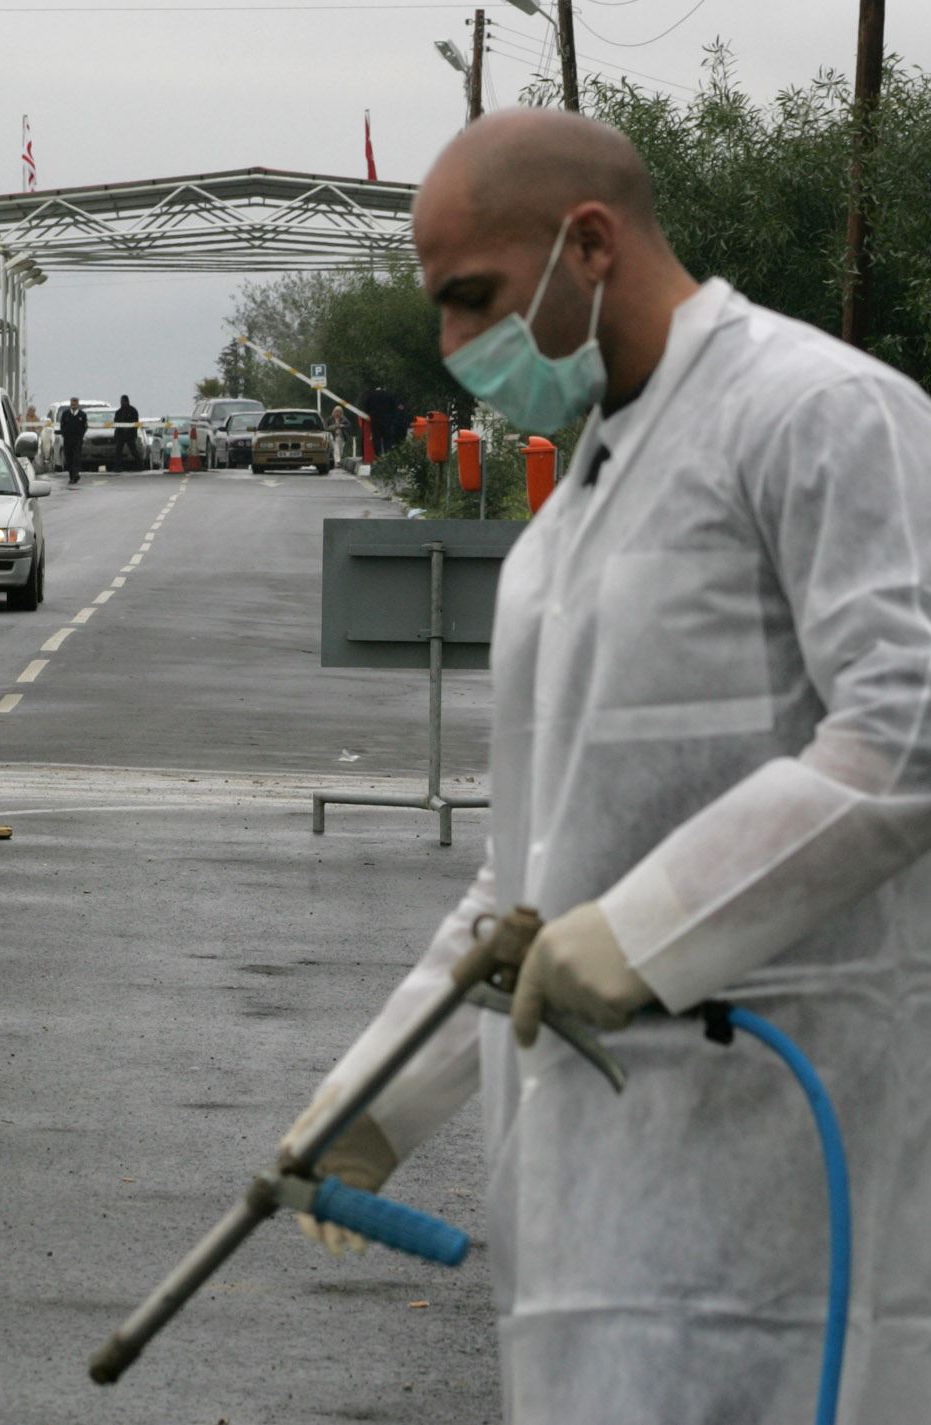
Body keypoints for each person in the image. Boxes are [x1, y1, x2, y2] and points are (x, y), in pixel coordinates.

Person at [283, 107, 931, 1423]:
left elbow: (904, 728)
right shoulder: (573, 516)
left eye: (473, 299)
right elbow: (519, 886)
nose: (456, 347)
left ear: (589, 243)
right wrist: (370, 1103)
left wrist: (643, 931)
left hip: (798, 1185)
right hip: (593, 1218)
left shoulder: (820, 415)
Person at [57, 397, 87, 485]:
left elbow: (84, 426)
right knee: (69, 458)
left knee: (76, 458)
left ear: (78, 404)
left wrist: (80, 435)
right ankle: (71, 476)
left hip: (77, 440)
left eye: (75, 404)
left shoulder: (82, 415)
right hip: (67, 440)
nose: (73, 405)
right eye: (72, 404)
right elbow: (62, 425)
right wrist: (64, 433)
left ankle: (76, 474)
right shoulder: (66, 414)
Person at [112, 394, 140, 471]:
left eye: (123, 401)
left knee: (133, 451)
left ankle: (140, 465)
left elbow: (136, 422)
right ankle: (117, 467)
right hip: (120, 434)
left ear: (127, 401)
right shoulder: (119, 412)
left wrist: (129, 429)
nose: (121, 403)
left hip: (130, 434)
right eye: (121, 401)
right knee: (118, 451)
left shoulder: (133, 411)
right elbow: (116, 422)